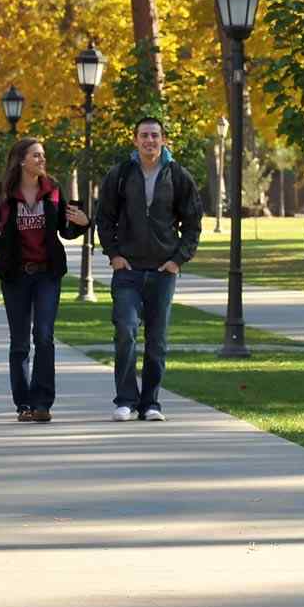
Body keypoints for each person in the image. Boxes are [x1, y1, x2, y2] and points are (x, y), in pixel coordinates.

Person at [95, 117, 203, 423]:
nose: (149, 141)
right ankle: (126, 400)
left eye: (155, 135)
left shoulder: (178, 176)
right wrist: (114, 254)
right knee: (126, 331)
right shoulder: (120, 175)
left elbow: (194, 221)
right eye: (144, 135)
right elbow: (104, 218)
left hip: (162, 272)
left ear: (164, 140)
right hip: (127, 270)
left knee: (157, 340)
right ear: (135, 140)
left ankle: (151, 402)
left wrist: (177, 260)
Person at [0, 138, 91, 422]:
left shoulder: (52, 190)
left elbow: (65, 230)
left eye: (43, 155)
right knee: (19, 342)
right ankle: (23, 404)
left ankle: (43, 403)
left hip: (47, 274)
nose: (42, 160)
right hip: (16, 276)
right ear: (21, 160)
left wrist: (83, 224)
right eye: (36, 155)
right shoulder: (4, 193)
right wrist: (6, 248)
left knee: (44, 336)